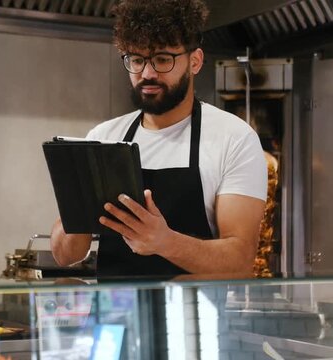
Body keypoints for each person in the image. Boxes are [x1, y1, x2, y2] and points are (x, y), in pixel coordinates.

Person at [50, 0, 267, 276]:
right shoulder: (102, 138)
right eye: (137, 60)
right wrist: (76, 205)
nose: (148, 74)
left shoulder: (234, 139)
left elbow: (240, 261)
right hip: (114, 317)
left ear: (195, 61)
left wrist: (164, 242)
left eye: (163, 59)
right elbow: (65, 256)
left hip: (195, 318)